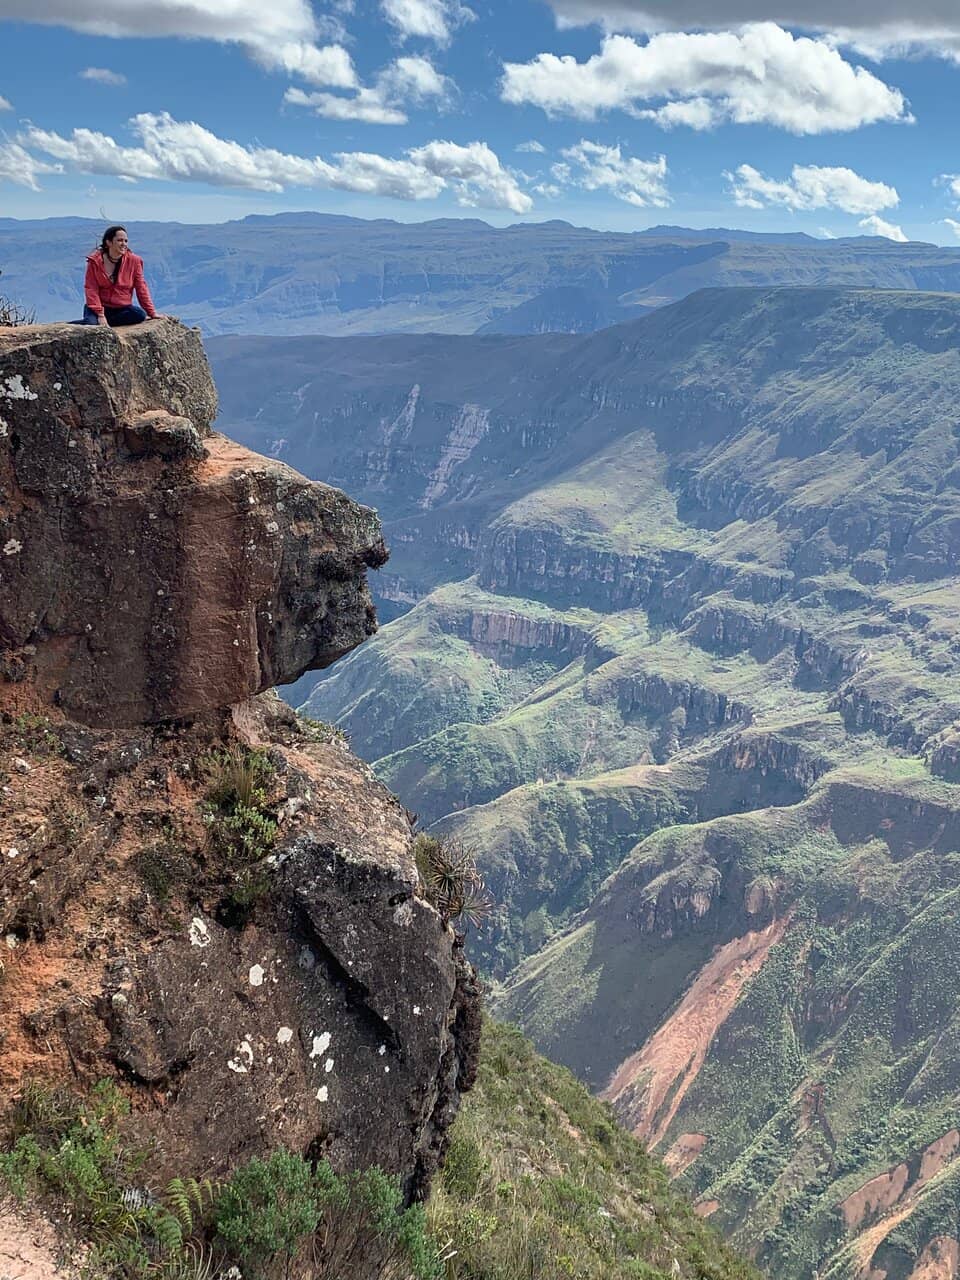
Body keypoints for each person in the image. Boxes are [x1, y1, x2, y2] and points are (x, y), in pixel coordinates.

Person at [80, 225, 161, 326]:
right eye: (120, 240)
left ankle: (101, 323)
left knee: (139, 314)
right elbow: (91, 288)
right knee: (92, 325)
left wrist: (152, 312)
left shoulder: (134, 261)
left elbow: (141, 288)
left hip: (121, 309)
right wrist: (100, 314)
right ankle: (95, 321)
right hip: (99, 307)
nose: (124, 244)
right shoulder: (95, 262)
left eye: (126, 241)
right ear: (108, 242)